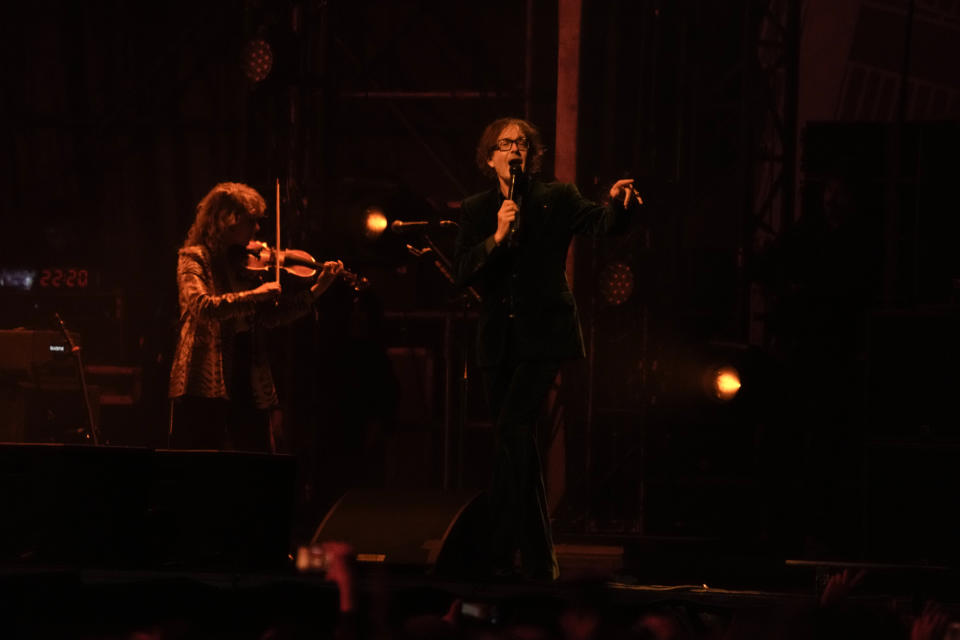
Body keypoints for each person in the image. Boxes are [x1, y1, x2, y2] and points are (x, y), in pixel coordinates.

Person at [453, 117, 642, 580]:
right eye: (505, 143)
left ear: (529, 154)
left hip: (545, 335)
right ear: (490, 156)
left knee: (514, 428)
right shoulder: (478, 208)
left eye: (521, 142)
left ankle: (503, 553)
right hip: (498, 342)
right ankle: (537, 562)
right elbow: (461, 271)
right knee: (516, 443)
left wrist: (618, 205)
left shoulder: (555, 197)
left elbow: (602, 223)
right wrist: (496, 237)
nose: (514, 148)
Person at [168, 182, 343, 452]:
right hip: (205, 373)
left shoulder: (247, 264)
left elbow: (269, 317)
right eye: (251, 221)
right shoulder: (194, 258)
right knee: (201, 458)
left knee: (255, 456)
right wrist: (255, 295)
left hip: (248, 370)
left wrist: (316, 290)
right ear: (228, 220)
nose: (257, 230)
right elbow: (203, 307)